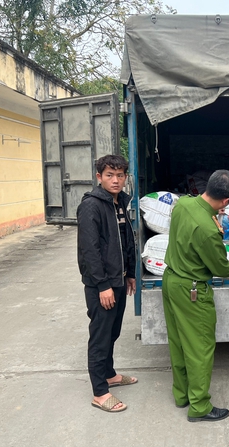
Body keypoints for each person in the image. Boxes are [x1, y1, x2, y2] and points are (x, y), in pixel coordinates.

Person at [162, 169, 229, 422]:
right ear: (226, 201)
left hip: (171, 280)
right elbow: (220, 267)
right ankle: (199, 407)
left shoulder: (183, 204)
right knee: (199, 348)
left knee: (178, 342)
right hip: (192, 290)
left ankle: (182, 395)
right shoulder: (207, 229)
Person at [77, 154, 137, 413]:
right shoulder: (92, 205)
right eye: (110, 175)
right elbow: (89, 250)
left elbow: (125, 240)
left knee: (113, 332)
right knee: (101, 336)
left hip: (119, 278)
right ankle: (100, 392)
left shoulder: (120, 202)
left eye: (120, 175)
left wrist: (131, 272)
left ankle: (110, 374)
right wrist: (102, 286)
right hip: (102, 284)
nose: (116, 180)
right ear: (99, 177)